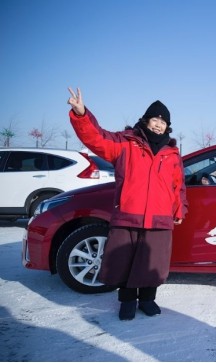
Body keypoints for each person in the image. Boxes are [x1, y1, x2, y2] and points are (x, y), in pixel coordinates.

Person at [67, 88, 188, 321]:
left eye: (163, 122)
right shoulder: (126, 143)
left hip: (159, 217)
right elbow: (97, 138)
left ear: (168, 126)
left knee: (152, 263)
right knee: (125, 261)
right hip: (128, 214)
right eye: (155, 119)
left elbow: (178, 185)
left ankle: (148, 300)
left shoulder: (172, 153)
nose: (158, 125)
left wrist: (179, 207)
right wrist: (81, 114)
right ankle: (127, 302)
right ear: (146, 120)